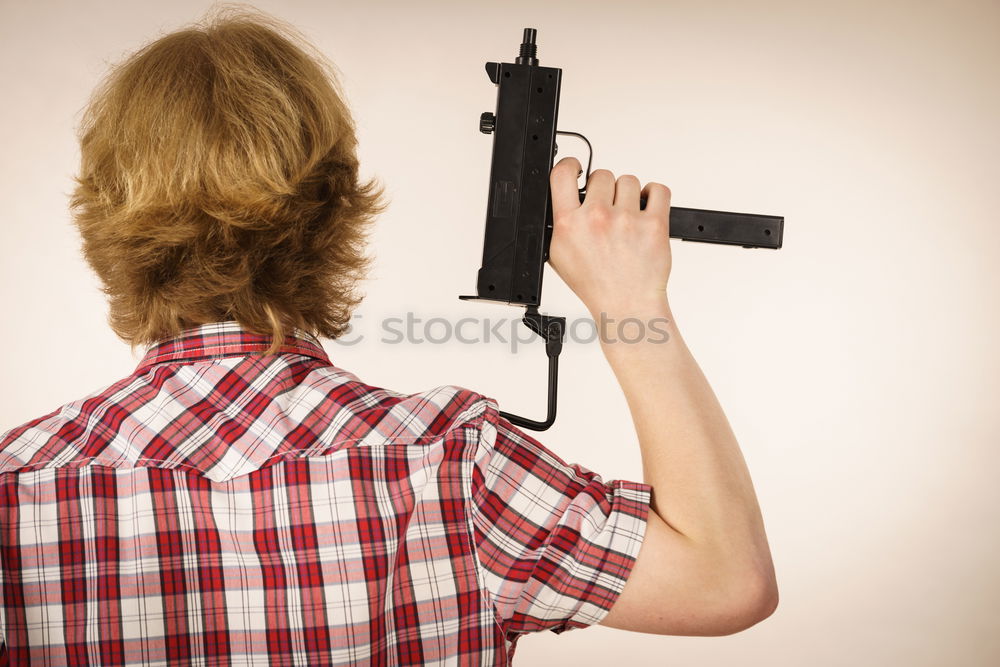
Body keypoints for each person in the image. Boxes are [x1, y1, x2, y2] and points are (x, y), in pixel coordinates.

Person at [0, 6, 777, 665]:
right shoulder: (452, 465)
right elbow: (727, 579)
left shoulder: (15, 491)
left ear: (103, 220)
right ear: (336, 208)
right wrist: (628, 299)